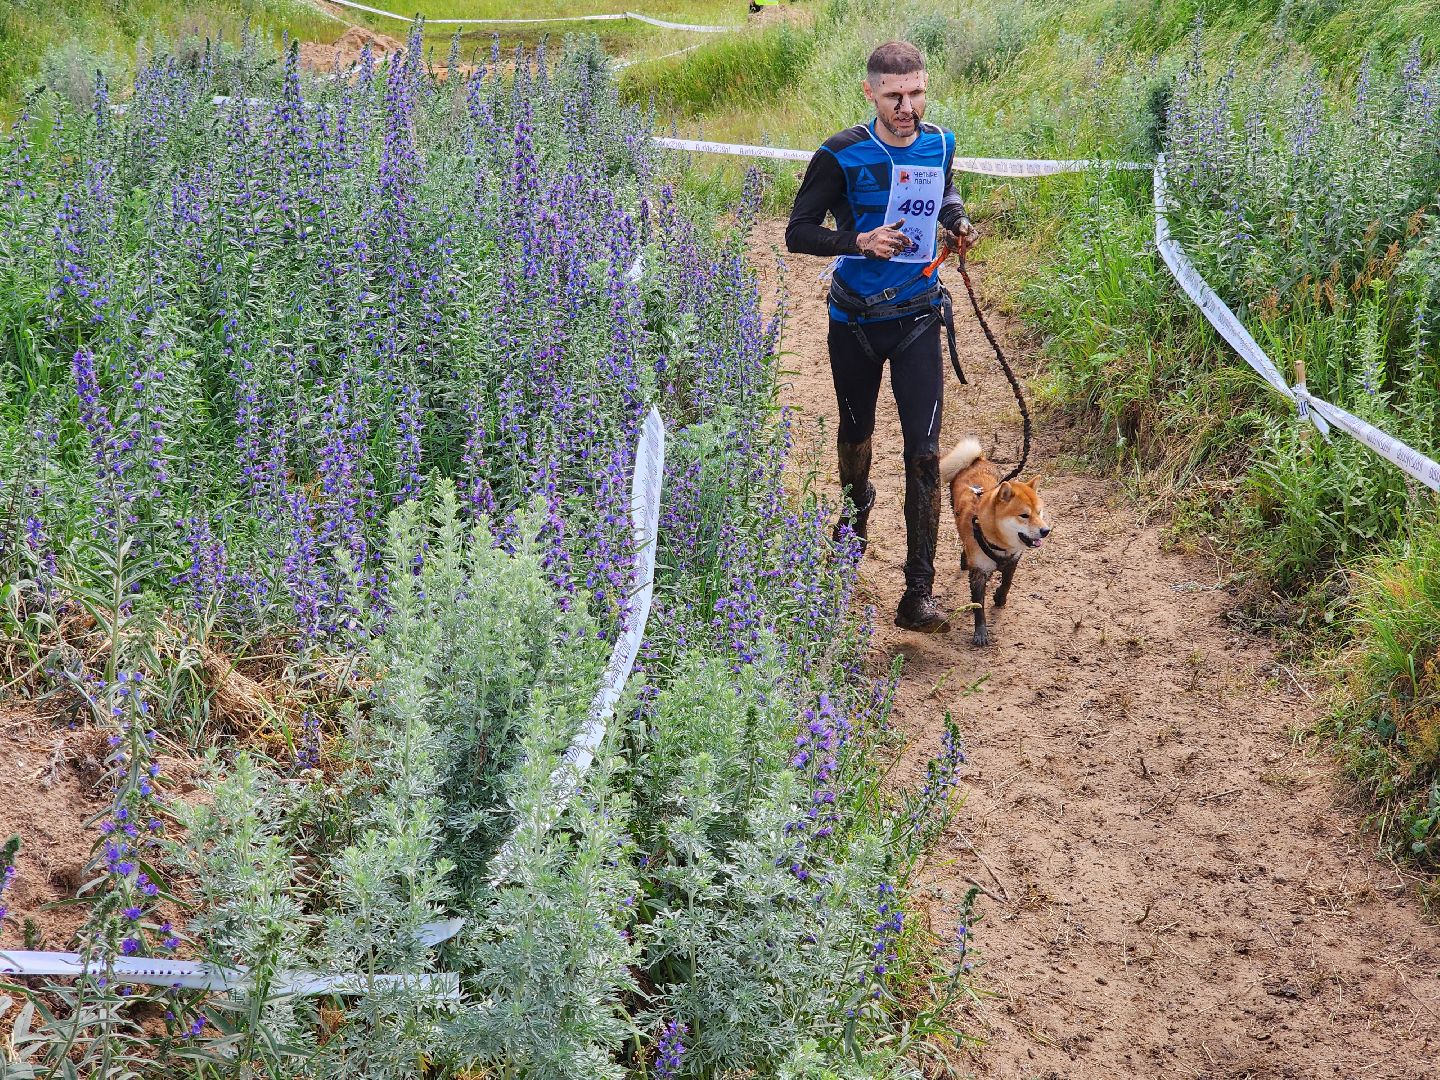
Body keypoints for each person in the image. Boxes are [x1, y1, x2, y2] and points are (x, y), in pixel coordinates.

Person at [785, 40, 977, 633]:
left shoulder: (940, 141)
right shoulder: (841, 153)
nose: (907, 107)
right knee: (856, 438)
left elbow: (944, 191)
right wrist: (858, 241)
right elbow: (797, 232)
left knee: (924, 454)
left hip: (919, 314)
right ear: (870, 92)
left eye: (916, 93)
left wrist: (957, 221)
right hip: (855, 323)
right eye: (894, 96)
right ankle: (853, 518)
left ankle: (917, 591)